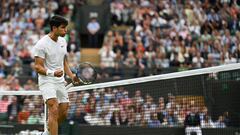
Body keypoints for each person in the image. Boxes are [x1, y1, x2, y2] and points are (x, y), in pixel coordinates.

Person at [33, 15, 79, 135]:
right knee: (53, 108)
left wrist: (71, 75)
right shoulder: (41, 44)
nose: (66, 30)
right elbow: (37, 67)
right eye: (63, 28)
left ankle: (47, 133)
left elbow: (63, 61)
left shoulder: (63, 41)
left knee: (63, 112)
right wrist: (52, 73)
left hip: (60, 81)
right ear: (54, 28)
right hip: (47, 80)